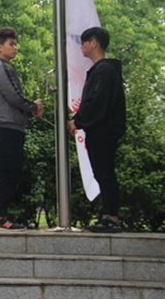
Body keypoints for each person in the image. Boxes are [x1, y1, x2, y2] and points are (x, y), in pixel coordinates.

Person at [68, 27, 126, 233]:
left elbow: (96, 101)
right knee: (102, 173)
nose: (82, 47)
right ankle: (108, 215)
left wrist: (78, 121)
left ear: (93, 43)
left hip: (103, 130)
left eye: (84, 42)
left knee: (105, 173)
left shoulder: (104, 71)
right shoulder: (103, 70)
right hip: (101, 130)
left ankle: (111, 217)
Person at [0, 27, 43, 230]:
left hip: (14, 126)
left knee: (13, 171)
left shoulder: (7, 67)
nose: (15, 48)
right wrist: (33, 107)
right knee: (6, 171)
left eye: (15, 44)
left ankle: (3, 214)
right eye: (11, 44)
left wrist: (30, 109)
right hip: (5, 126)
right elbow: (12, 96)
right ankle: (0, 216)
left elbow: (15, 97)